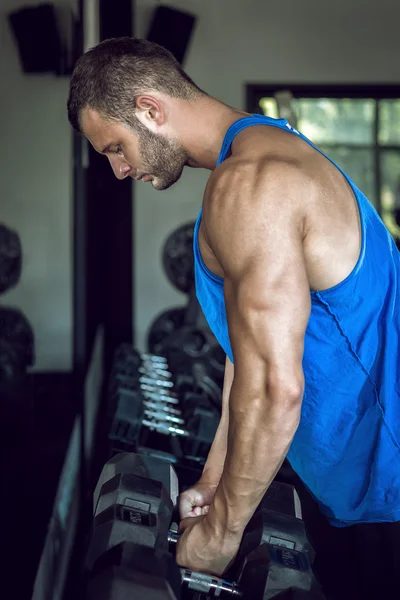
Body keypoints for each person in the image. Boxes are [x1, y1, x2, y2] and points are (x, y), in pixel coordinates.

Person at [67, 38, 400, 599]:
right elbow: (247, 359)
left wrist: (222, 531)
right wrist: (217, 482)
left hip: (389, 491)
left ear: (150, 109)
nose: (119, 170)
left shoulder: (251, 185)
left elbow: (275, 386)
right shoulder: (260, 161)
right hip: (358, 490)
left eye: (115, 147)